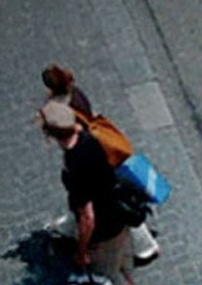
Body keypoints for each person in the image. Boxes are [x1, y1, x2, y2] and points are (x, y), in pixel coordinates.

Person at [38, 100, 170, 285]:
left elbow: (86, 217)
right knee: (122, 265)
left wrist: (81, 251)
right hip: (119, 215)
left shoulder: (74, 164)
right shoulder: (90, 139)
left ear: (51, 134)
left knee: (107, 274)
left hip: (103, 229)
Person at [42, 65, 160, 265]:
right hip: (102, 150)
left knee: (117, 204)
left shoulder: (64, 110)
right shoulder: (76, 93)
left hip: (100, 157)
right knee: (116, 201)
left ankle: (145, 246)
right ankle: (69, 227)